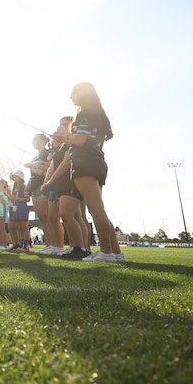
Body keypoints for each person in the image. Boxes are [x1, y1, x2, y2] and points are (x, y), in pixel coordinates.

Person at [52, 82, 125, 262]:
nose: (71, 97)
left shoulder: (85, 113)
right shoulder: (96, 113)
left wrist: (65, 135)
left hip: (85, 163)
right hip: (95, 161)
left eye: (74, 93)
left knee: (95, 208)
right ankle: (116, 252)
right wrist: (65, 138)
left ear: (83, 94)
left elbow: (80, 140)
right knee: (98, 208)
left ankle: (106, 252)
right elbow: (86, 140)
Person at [43, 116, 89, 258]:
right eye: (60, 124)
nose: (61, 126)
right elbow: (54, 164)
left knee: (71, 215)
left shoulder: (71, 142)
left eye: (65, 124)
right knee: (72, 215)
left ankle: (81, 248)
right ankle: (77, 247)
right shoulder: (63, 144)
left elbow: (66, 162)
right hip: (63, 183)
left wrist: (51, 180)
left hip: (70, 180)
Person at [9, 170, 31, 252]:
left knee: (24, 227)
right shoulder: (14, 188)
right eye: (13, 177)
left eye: (16, 176)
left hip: (22, 209)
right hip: (15, 210)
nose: (14, 178)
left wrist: (17, 199)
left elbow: (28, 199)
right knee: (19, 228)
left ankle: (26, 246)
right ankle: (21, 245)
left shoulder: (24, 187)